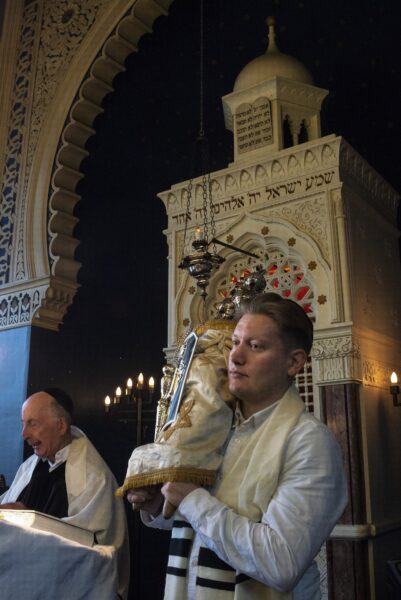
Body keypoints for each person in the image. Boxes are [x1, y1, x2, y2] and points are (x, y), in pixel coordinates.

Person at [127, 293, 348, 600]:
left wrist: (190, 498)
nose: (235, 356)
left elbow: (280, 561)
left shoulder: (309, 442)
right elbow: (203, 533)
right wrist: (158, 505)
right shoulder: (216, 427)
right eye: (235, 343)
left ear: (294, 362)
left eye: (255, 346)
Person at [0, 388, 130, 600]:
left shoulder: (94, 477)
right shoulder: (30, 467)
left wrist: (28, 519)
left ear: (60, 426)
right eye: (23, 424)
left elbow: (90, 546)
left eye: (32, 424)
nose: (24, 434)